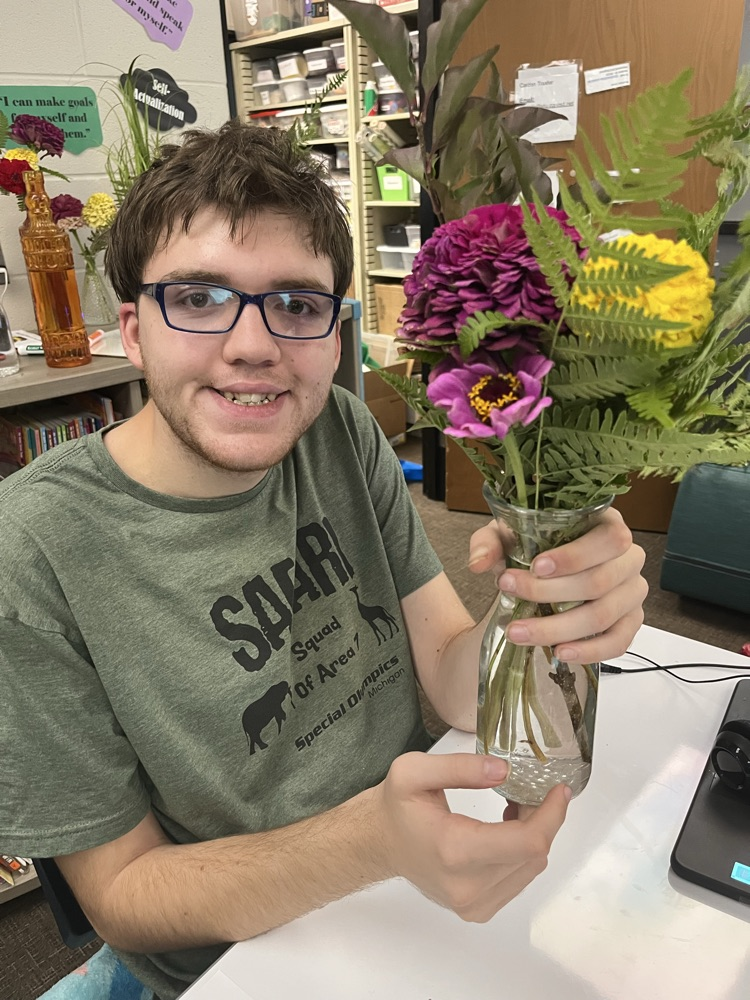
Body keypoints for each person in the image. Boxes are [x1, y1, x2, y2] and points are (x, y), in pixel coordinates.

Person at [0, 121, 646, 999]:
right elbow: (121, 898)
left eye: (298, 305)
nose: (253, 346)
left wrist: (544, 593)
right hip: (243, 956)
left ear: (336, 337)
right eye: (200, 297)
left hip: (413, 881)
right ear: (134, 331)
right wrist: (370, 842)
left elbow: (454, 679)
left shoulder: (339, 429)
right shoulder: (33, 550)